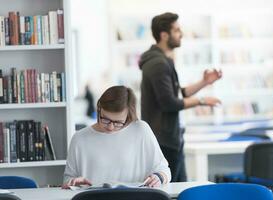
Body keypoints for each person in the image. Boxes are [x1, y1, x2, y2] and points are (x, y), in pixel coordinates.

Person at [139, 12, 222, 182]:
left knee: (180, 189)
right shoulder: (158, 63)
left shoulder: (163, 61)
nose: (181, 34)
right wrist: (202, 101)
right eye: (177, 30)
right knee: (171, 191)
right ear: (164, 35)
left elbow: (177, 93)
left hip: (171, 138)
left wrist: (204, 82)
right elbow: (169, 102)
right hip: (164, 141)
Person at [62, 86, 171, 188]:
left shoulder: (141, 130)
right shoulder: (79, 138)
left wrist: (159, 177)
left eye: (118, 122)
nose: (110, 127)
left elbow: (165, 170)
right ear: (99, 108)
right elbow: (67, 181)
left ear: (128, 116)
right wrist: (72, 182)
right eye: (105, 119)